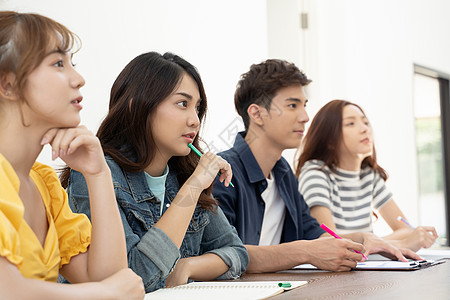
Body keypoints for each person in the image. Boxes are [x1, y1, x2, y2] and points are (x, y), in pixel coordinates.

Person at [61, 51, 249, 292]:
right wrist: (193, 188)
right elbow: (133, 279)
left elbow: (236, 252)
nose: (195, 120)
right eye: (182, 104)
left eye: (197, 107)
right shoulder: (94, 174)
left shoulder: (182, 173)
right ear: (138, 105)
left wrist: (187, 266)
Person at [212, 59, 421, 274]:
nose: (305, 117)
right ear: (257, 114)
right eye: (292, 106)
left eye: (304, 106)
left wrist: (363, 239)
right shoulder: (223, 171)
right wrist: (305, 251)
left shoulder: (282, 172)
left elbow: (312, 231)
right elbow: (222, 254)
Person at [0, 11, 144, 299]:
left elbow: (109, 277)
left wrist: (98, 174)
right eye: (58, 63)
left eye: (72, 64)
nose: (79, 79)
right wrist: (106, 293)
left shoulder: (43, 184)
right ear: (8, 84)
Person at [296, 99, 438, 252]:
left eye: (365, 122)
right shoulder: (316, 174)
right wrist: (388, 243)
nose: (364, 129)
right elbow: (329, 242)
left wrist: (374, 243)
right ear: (329, 140)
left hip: (362, 267)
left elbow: (404, 229)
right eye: (351, 124)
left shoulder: (369, 175)